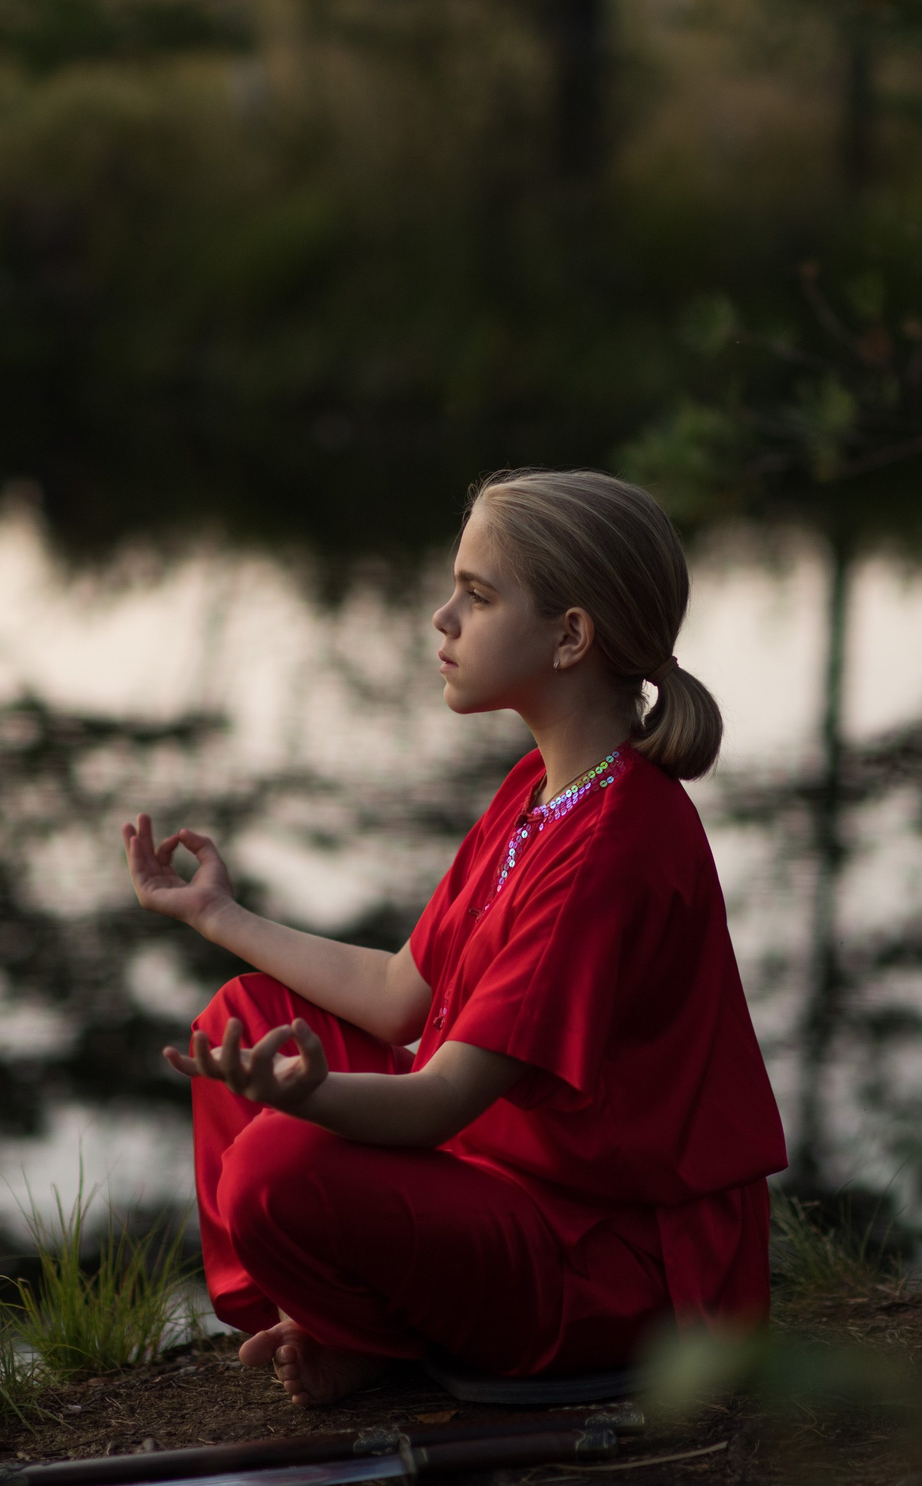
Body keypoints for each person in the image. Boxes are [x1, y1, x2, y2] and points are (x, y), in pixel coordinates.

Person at [121, 467, 785, 1408]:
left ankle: (363, 1332)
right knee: (244, 1013)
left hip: (614, 1266)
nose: (442, 617)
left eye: (476, 594)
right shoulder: (543, 788)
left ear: (571, 635)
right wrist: (220, 917)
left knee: (275, 1156)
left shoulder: (612, 848)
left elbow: (438, 1102)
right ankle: (331, 1320)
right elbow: (402, 993)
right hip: (505, 1179)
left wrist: (310, 1094)